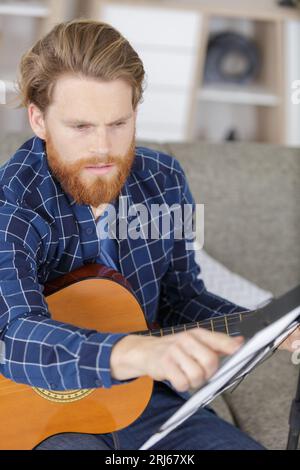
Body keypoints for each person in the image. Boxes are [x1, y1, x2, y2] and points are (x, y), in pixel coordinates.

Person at [0, 19, 298, 451]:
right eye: (80, 127)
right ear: (39, 120)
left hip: (144, 401)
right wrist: (133, 352)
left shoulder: (163, 181)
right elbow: (13, 335)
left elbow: (181, 298)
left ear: (136, 112)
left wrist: (271, 327)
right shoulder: (13, 201)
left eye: (118, 123)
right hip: (42, 419)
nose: (103, 148)